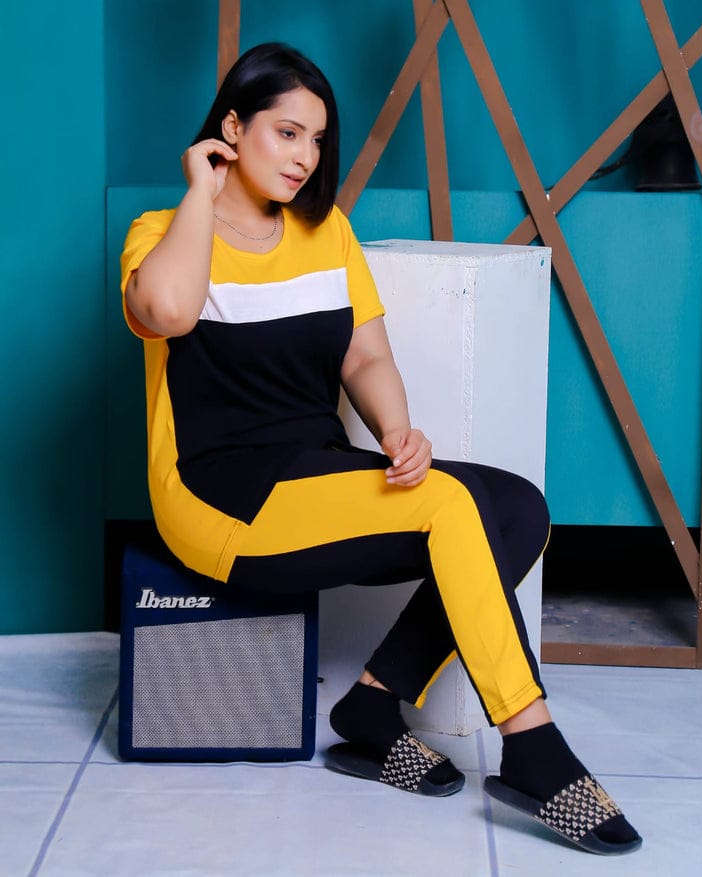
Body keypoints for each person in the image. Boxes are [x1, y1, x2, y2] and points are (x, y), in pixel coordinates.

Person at [120, 42, 641, 856]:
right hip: (220, 496)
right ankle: (532, 743)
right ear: (231, 126)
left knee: (515, 508)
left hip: (312, 473)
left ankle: (371, 704)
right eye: (286, 133)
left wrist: (397, 428)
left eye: (317, 140)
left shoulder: (326, 234)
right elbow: (167, 311)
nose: (305, 157)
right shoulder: (163, 232)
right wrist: (199, 190)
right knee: (452, 505)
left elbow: (365, 355)